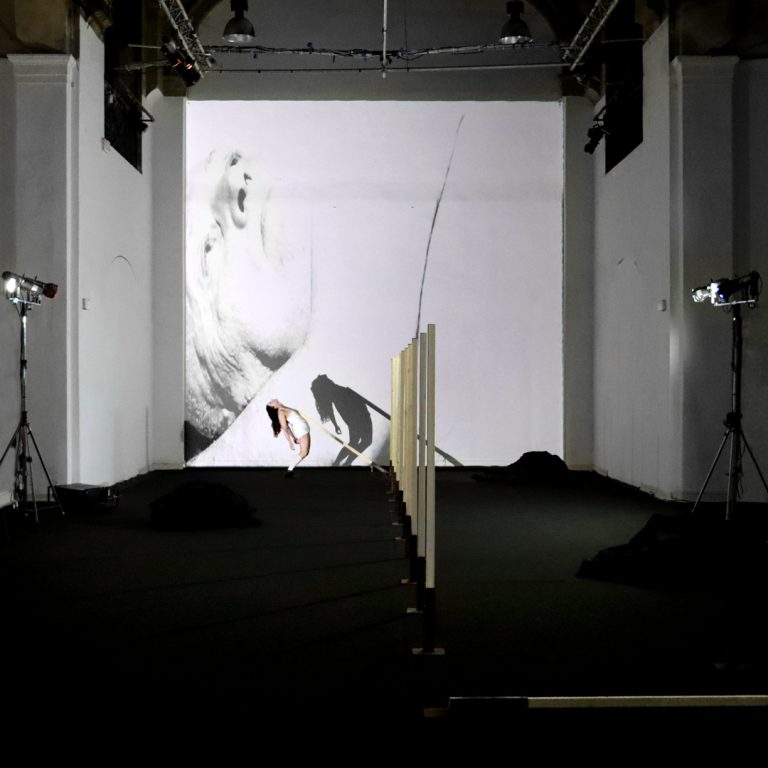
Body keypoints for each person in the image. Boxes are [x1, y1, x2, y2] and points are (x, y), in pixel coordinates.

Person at [266, 399, 311, 476]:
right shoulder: (281, 412)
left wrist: (293, 438)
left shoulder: (283, 408)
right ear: (274, 407)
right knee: (304, 452)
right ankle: (289, 471)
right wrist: (290, 442)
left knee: (305, 452)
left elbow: (287, 426)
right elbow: (285, 428)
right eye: (270, 403)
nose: (271, 400)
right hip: (301, 429)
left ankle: (289, 471)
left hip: (303, 428)